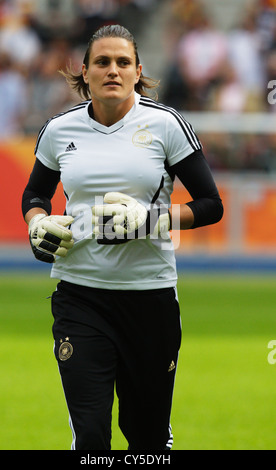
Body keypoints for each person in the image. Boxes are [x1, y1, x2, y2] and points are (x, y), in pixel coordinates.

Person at [21, 24, 223, 450]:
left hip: (149, 300)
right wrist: (37, 222)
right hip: (80, 297)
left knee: (147, 442)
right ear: (85, 72)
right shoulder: (59, 129)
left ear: (138, 71)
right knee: (91, 438)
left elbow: (210, 204)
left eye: (122, 62)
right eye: (102, 62)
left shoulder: (166, 124)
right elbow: (35, 193)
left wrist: (151, 220)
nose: (112, 69)